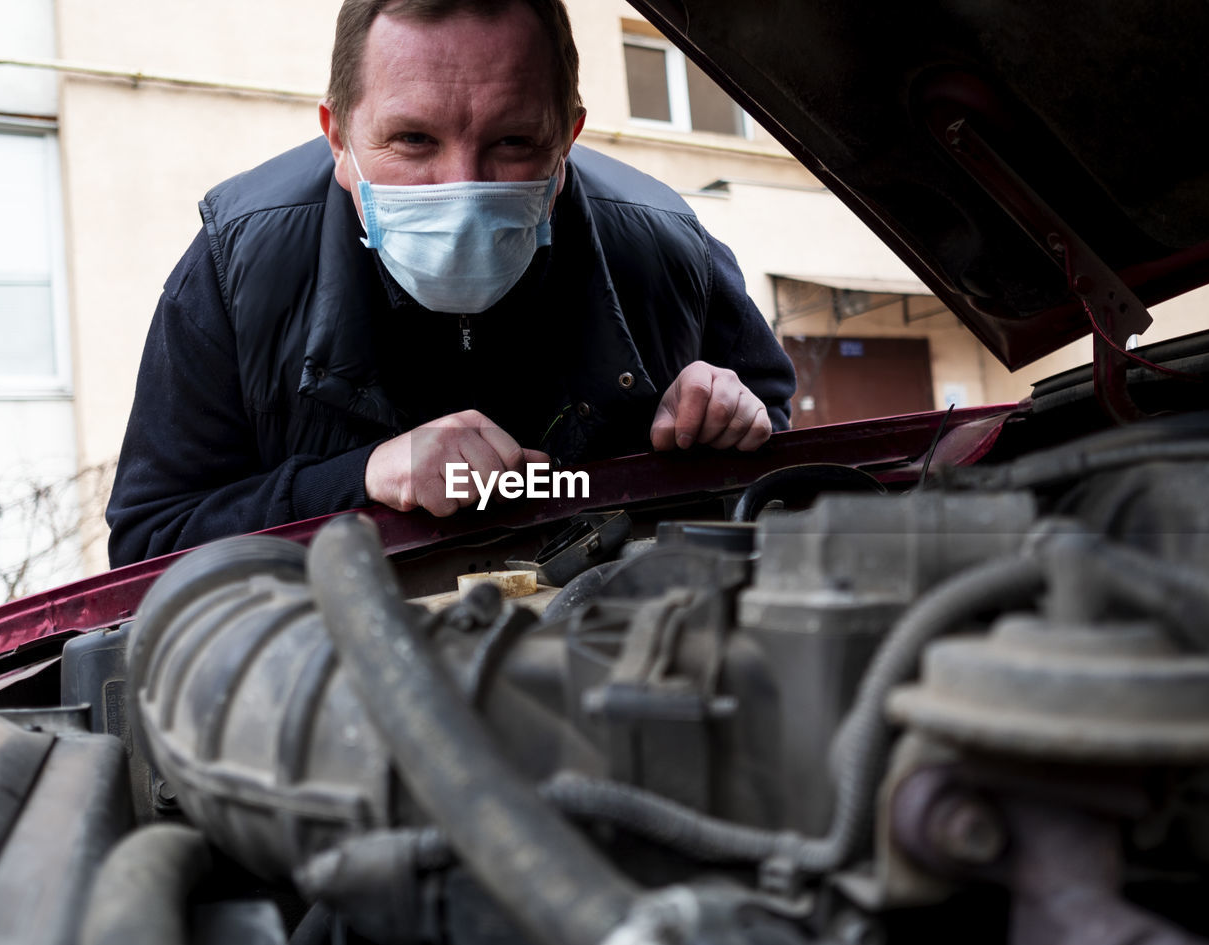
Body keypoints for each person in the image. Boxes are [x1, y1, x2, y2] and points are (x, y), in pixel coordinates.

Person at [105, 0, 796, 567]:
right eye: (412, 140)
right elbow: (150, 543)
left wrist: (721, 419)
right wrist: (361, 480)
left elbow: (775, 449)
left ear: (567, 139)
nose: (462, 188)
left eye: (514, 143)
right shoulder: (238, 265)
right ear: (339, 139)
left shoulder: (668, 249)